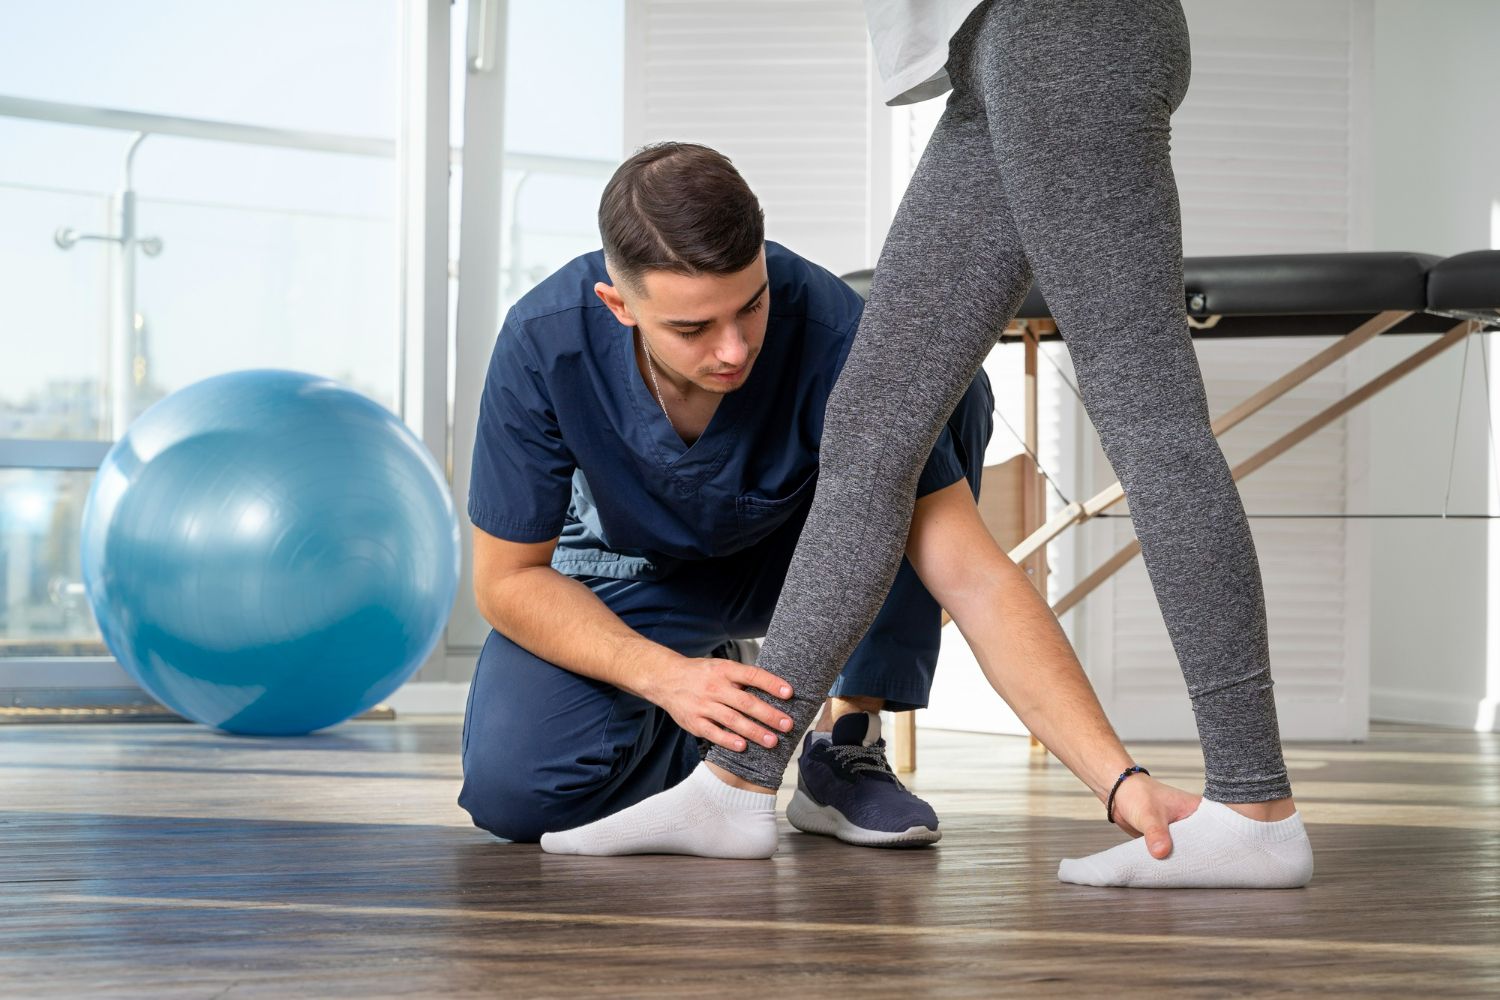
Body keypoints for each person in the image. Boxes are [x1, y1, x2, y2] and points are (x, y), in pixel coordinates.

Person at [538, 0, 1317, 890]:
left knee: (1150, 417)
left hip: (1065, 26)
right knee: (870, 430)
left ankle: (1256, 810)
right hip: (990, 43)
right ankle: (737, 784)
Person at [459, 141, 995, 850]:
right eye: (692, 328)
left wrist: (1117, 777)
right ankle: (724, 731)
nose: (735, 349)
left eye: (752, 307)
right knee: (516, 797)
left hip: (812, 565)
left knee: (946, 392)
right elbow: (506, 579)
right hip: (640, 575)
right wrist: (666, 679)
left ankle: (846, 742)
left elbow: (969, 571)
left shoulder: (836, 330)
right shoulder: (543, 342)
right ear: (619, 306)